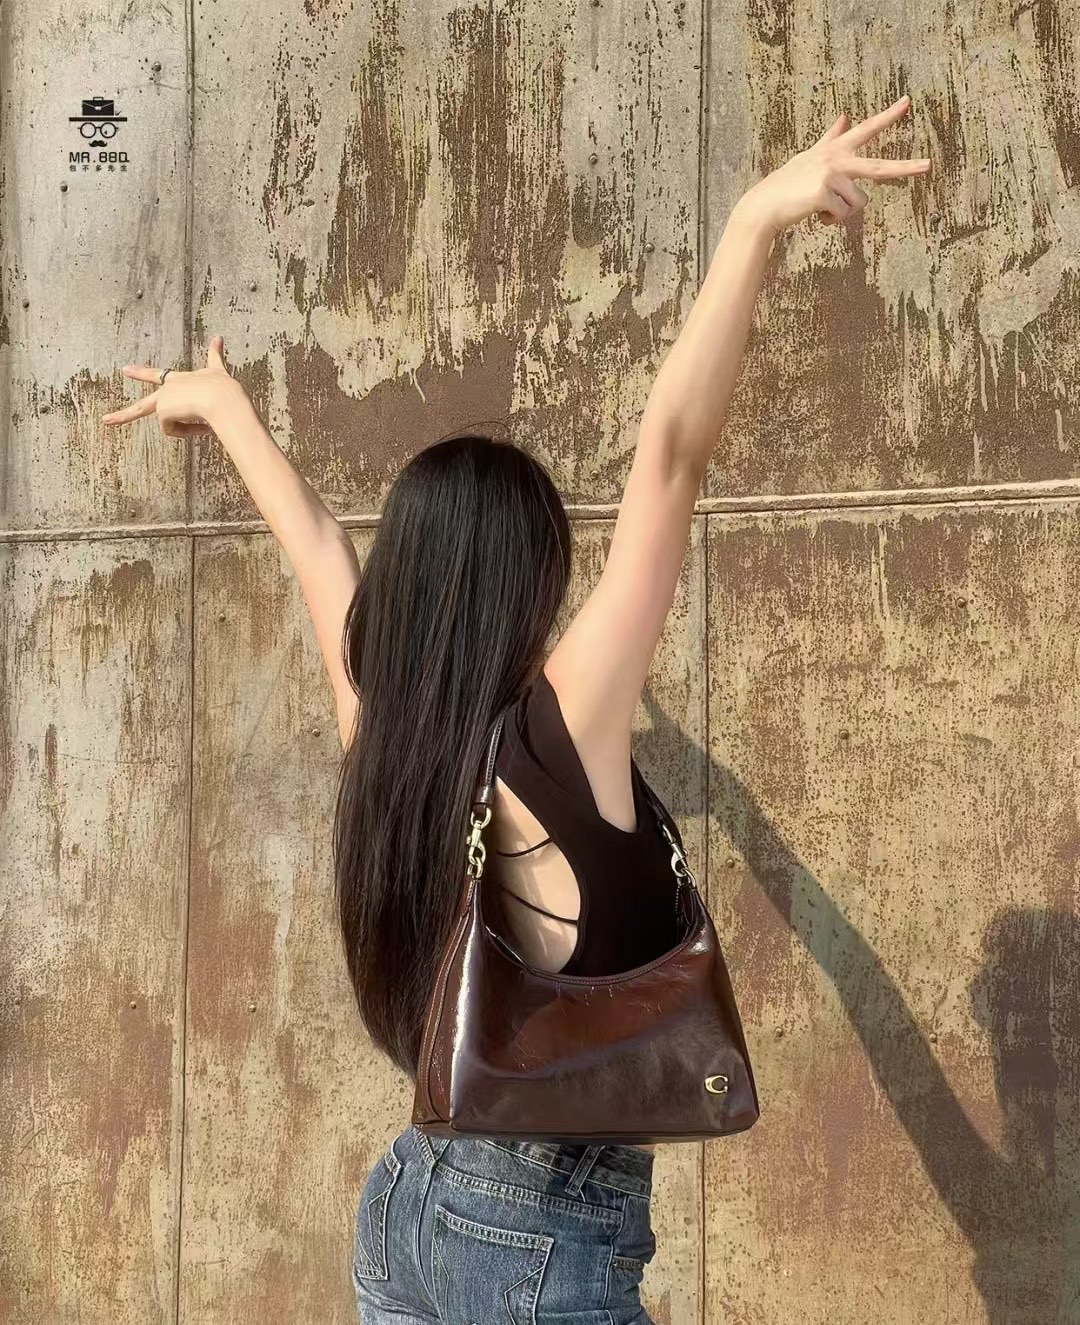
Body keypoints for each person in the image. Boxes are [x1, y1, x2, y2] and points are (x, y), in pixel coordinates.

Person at [104, 95, 930, 1324]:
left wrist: (227, 411)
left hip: (406, 1202)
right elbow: (668, 454)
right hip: (537, 1241)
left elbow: (318, 546)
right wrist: (756, 220)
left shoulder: (385, 733)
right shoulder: (559, 728)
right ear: (522, 585)